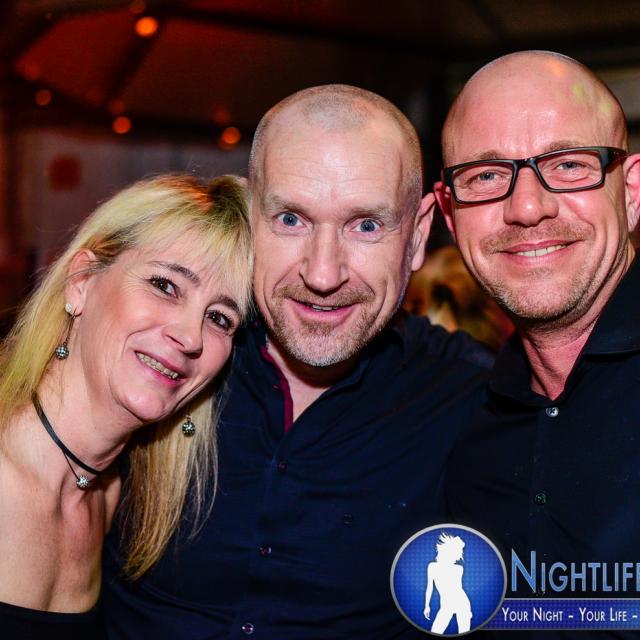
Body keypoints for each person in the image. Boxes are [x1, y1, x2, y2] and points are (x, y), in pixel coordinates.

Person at [103, 85, 492, 639]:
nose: (323, 274)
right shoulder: (165, 358)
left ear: (417, 235)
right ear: (249, 215)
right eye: (291, 219)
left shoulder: (475, 399)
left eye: (366, 225)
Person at [436, 50, 640, 636]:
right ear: (450, 214)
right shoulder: (461, 423)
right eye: (485, 176)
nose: (527, 208)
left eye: (569, 164)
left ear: (631, 192)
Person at [0, 174, 252, 639]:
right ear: (81, 282)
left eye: (220, 318)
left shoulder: (111, 495)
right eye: (165, 285)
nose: (191, 336)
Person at [424, 533, 471, 634]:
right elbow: (429, 587)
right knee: (435, 631)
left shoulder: (459, 569)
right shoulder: (432, 567)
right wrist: (427, 605)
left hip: (462, 603)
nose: (459, 555)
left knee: (464, 633)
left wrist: (467, 611)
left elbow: (458, 589)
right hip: (446, 605)